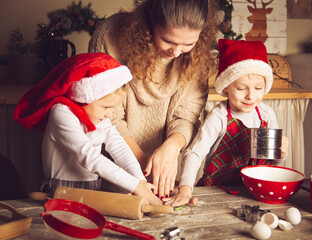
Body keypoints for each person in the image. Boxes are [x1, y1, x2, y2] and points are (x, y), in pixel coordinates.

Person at [88, 0, 219, 198]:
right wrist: (147, 168)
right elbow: (107, 116)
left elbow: (188, 115)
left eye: (188, 44)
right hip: (110, 174)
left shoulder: (199, 54)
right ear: (150, 18)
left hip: (163, 179)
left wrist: (172, 147)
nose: (176, 52)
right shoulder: (110, 36)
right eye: (168, 40)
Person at [13, 53, 162, 205]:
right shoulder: (61, 113)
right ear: (84, 97)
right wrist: (135, 186)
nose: (110, 114)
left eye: (113, 108)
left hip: (92, 190)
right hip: (60, 191)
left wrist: (141, 182)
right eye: (106, 107)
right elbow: (89, 158)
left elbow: (119, 147)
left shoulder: (99, 117)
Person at [163, 39, 290, 207]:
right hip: (218, 191)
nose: (250, 96)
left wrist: (281, 154)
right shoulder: (219, 115)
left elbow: (273, 162)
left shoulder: (266, 114)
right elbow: (195, 153)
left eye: (258, 88)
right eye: (241, 88)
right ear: (226, 87)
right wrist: (185, 188)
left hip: (255, 193)